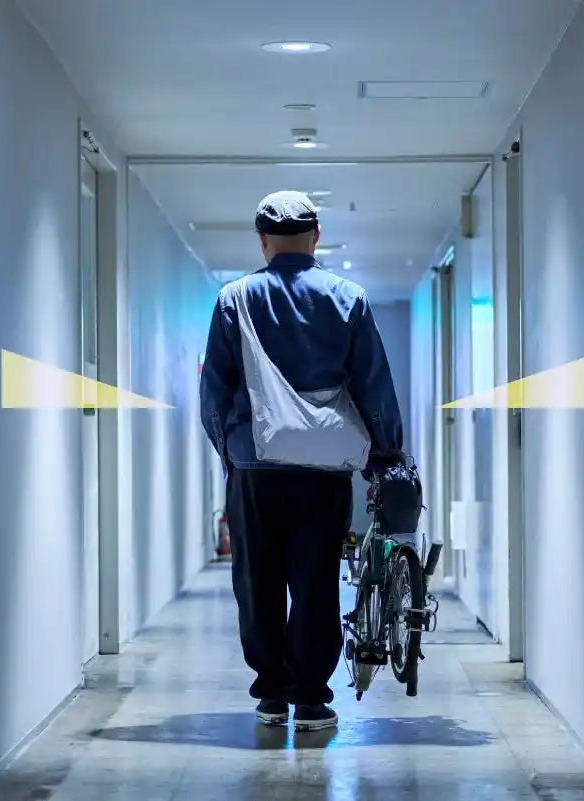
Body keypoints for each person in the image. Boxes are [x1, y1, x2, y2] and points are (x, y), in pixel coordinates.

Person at [199, 190, 405, 732]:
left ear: (262, 241)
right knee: (316, 581)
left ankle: (272, 694)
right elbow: (372, 385)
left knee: (257, 581)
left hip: (255, 468)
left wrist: (231, 455)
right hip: (324, 471)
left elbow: (215, 393)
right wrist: (385, 454)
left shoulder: (234, 300)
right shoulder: (348, 298)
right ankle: (312, 699)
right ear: (316, 237)